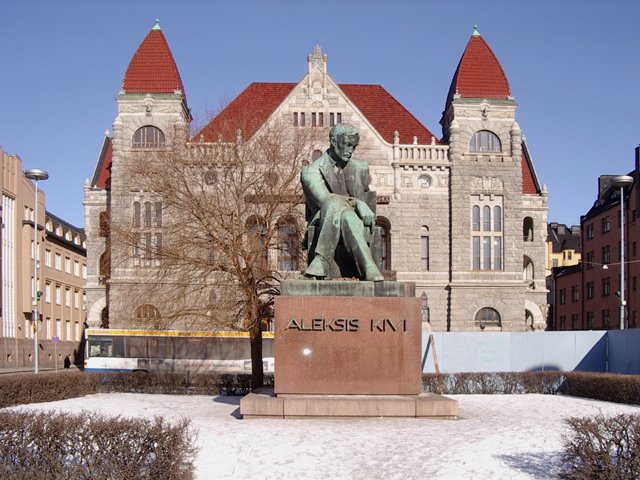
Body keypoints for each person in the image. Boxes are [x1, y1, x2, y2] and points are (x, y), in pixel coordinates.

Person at [301, 123, 383, 281]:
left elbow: (367, 193)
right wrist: (358, 203)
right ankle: (368, 267)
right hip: (324, 220)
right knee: (336, 207)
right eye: (347, 145)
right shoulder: (310, 171)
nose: (351, 150)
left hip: (357, 222)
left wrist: (360, 205)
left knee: (347, 216)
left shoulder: (360, 168)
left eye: (353, 146)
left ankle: (321, 260)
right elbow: (325, 200)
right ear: (333, 141)